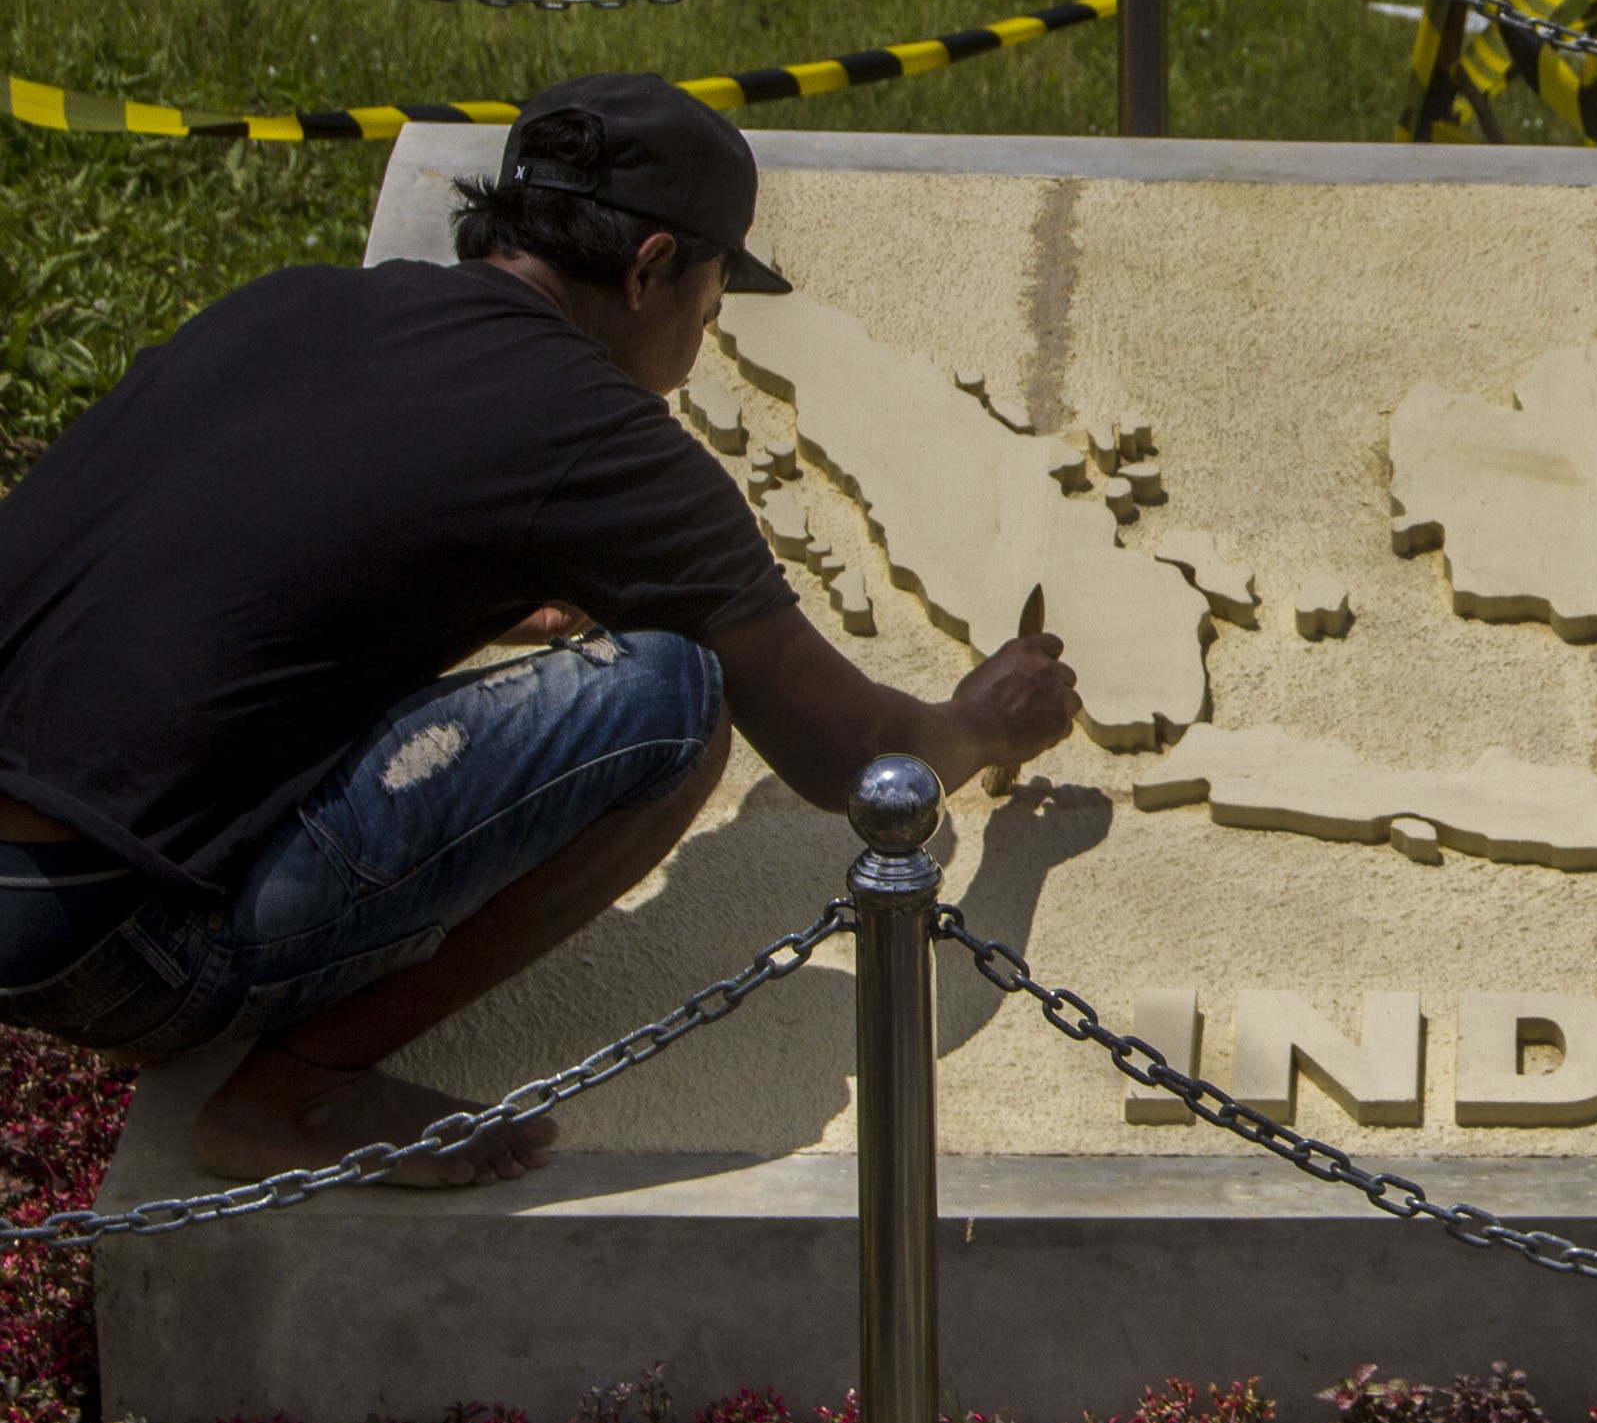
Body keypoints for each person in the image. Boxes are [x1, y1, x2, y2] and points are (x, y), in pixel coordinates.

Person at [0, 75, 1076, 1188]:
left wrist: (467, 593)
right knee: (674, 704)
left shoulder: (294, 304)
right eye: (710, 306)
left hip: (25, 906)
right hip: (111, 950)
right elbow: (854, 761)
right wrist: (985, 724)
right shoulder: (595, 432)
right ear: (653, 266)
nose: (704, 340)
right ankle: (298, 1092)